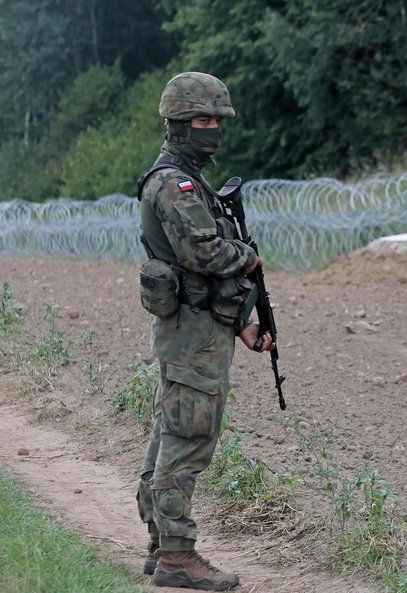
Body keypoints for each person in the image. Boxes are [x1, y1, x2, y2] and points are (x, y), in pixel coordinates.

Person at [135, 71, 275, 591]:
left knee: (173, 433)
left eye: (217, 119)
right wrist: (248, 256)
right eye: (202, 119)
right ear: (177, 123)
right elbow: (205, 253)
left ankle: (161, 544)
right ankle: (176, 556)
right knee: (187, 439)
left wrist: (242, 323)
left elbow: (200, 271)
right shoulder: (175, 183)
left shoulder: (188, 178)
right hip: (191, 333)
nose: (212, 128)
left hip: (197, 326)